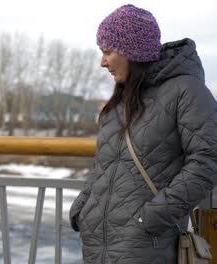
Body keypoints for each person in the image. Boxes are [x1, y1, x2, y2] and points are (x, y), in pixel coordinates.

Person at [69, 4, 217, 264]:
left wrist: (153, 216)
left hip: (148, 246)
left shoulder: (186, 91)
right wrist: (83, 207)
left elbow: (209, 159)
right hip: (97, 248)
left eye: (107, 51)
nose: (102, 62)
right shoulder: (121, 101)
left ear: (132, 52)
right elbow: (104, 165)